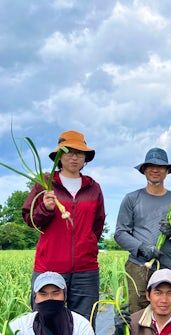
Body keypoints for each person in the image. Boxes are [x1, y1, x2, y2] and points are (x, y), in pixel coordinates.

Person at [22, 130, 105, 324]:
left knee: (84, 322)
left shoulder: (93, 188)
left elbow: (98, 223)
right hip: (49, 267)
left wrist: (88, 244)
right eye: (69, 152)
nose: (74, 157)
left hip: (86, 269)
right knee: (45, 322)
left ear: (85, 158)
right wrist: (46, 208)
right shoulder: (45, 184)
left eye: (80, 153)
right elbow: (30, 219)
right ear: (59, 156)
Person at [114, 148, 171, 313]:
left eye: (160, 167)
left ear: (167, 171)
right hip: (139, 266)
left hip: (170, 267)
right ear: (144, 170)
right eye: (150, 166)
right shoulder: (132, 199)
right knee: (136, 314)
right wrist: (141, 248)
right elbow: (120, 233)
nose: (155, 170)